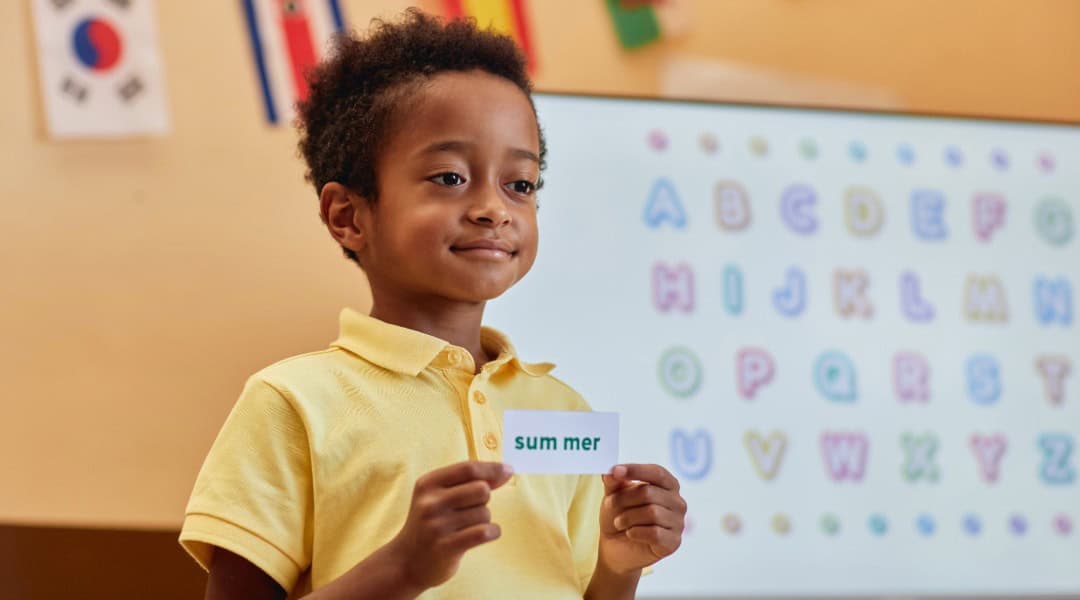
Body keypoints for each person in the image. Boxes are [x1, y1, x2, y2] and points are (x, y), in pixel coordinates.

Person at [179, 9, 686, 599]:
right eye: (449, 177)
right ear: (348, 216)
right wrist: (401, 568)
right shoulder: (292, 403)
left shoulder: (562, 409)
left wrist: (619, 566)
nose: (494, 208)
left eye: (519, 184)